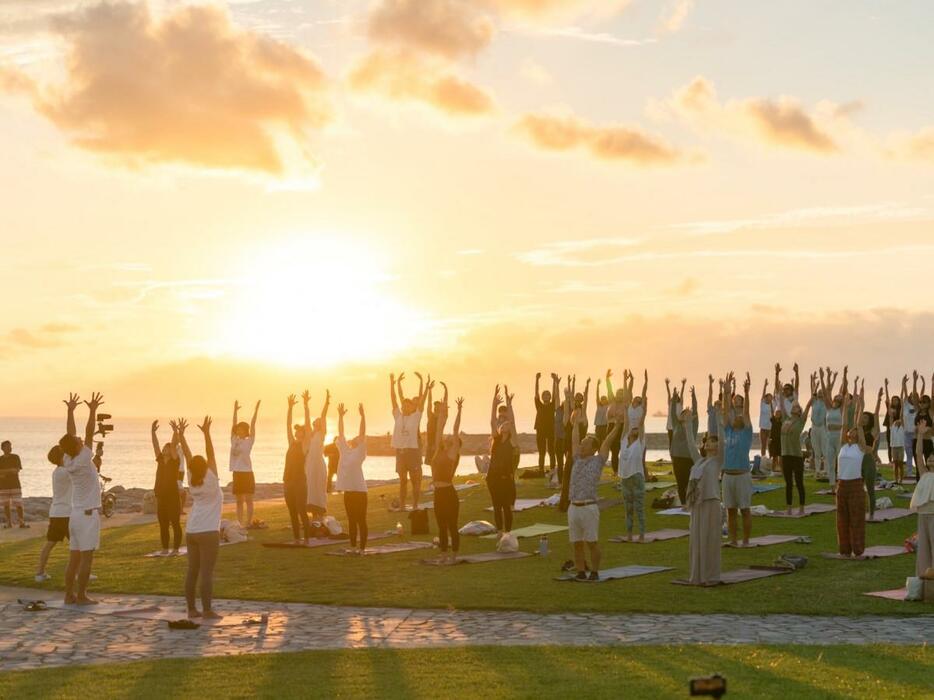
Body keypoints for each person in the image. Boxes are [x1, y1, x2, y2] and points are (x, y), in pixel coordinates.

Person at [560, 407, 619, 581]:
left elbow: (607, 442)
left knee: (591, 542)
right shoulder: (577, 458)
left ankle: (594, 572)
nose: (581, 445)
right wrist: (576, 423)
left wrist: (616, 426)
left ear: (593, 448)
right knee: (576, 543)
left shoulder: (598, 460)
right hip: (574, 507)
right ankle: (580, 571)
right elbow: (574, 439)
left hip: (589, 507)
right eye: (582, 443)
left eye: (585, 443)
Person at [176, 417, 223, 620]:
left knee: (192, 570)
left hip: (192, 530)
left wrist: (181, 435)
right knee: (206, 572)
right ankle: (207, 610)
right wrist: (206, 433)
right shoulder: (211, 478)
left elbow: (187, 456)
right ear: (205, 466)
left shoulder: (191, 479)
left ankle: (191, 609)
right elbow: (210, 453)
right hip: (208, 531)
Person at [60, 391, 104, 605]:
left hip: (75, 515)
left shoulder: (68, 458)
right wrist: (93, 411)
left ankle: (69, 595)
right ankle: (82, 596)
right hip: (87, 515)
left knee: (74, 559)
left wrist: (70, 411)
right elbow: (86, 434)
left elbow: (71, 435)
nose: (80, 440)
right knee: (86, 558)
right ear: (78, 447)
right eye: (78, 441)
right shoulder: (84, 458)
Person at [683, 397, 723, 586]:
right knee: (696, 541)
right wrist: (687, 423)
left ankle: (711, 576)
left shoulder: (717, 461)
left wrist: (720, 416)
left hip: (711, 502)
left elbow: (723, 440)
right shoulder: (699, 461)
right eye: (707, 441)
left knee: (710, 541)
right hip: (697, 504)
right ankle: (697, 576)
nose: (709, 443)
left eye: (713, 441)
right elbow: (691, 444)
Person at [834, 393, 870, 558]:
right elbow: (843, 424)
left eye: (855, 431)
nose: (852, 431)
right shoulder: (843, 445)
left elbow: (859, 426)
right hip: (842, 485)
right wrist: (846, 407)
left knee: (856, 519)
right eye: (851, 430)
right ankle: (844, 549)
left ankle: (858, 549)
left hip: (855, 485)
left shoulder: (860, 447)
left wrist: (860, 406)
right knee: (842, 519)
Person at [430, 389, 464, 564]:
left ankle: (454, 555)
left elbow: (456, 429)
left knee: (452, 525)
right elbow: (438, 428)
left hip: (449, 494)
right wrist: (443, 408)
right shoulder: (437, 450)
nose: (447, 437)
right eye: (447, 437)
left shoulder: (452, 453)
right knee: (441, 526)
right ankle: (443, 554)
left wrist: (458, 411)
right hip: (438, 493)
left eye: (451, 438)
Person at [721, 373, 754, 546]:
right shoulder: (728, 430)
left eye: (740, 415)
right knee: (730, 511)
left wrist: (747, 393)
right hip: (728, 475)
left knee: (745, 510)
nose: (738, 416)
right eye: (736, 414)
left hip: (742, 475)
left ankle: (746, 541)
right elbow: (727, 411)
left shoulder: (746, 432)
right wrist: (727, 393)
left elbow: (747, 411)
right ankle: (733, 540)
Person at [390, 372, 427, 511]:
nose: (405, 407)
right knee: (402, 481)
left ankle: (416, 505)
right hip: (400, 453)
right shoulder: (398, 416)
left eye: (408, 405)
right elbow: (394, 398)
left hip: (413, 452)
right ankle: (402, 506)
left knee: (415, 480)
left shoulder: (416, 417)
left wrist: (422, 382)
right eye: (403, 405)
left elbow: (422, 400)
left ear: (412, 407)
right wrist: (393, 383)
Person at [35, 445, 72, 582]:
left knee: (50, 543)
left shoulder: (57, 472)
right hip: (66, 513)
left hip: (56, 513)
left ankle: (39, 573)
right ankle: (80, 572)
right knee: (78, 545)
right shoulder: (66, 472)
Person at [336, 402, 368, 554]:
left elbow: (362, 432)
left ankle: (362, 549)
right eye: (354, 438)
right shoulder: (344, 451)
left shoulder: (360, 452)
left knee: (361, 520)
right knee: (351, 520)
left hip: (360, 492)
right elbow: (341, 433)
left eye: (358, 438)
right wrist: (340, 416)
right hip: (349, 492)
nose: (356, 438)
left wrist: (363, 416)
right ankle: (353, 547)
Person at [618, 380, 647, 542]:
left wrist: (645, 383)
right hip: (625, 479)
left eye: (637, 429)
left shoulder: (640, 442)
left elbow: (641, 421)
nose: (635, 429)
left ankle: (642, 535)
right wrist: (626, 380)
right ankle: (629, 534)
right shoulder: (623, 440)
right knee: (628, 509)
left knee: (639, 508)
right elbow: (626, 421)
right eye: (633, 429)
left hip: (637, 477)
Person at [487, 385, 519, 534]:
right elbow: (492, 421)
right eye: (503, 423)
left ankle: (508, 532)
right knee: (497, 506)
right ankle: (500, 531)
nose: (505, 423)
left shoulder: (512, 441)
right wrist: (494, 404)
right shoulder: (496, 440)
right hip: (493, 478)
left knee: (506, 506)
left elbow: (512, 421)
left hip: (506, 478)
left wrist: (509, 403)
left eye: (507, 423)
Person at [151, 420, 182, 555]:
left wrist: (175, 432)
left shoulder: (175, 461)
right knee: (163, 524)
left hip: (173, 497)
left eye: (167, 448)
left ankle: (175, 549)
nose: (164, 449)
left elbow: (174, 445)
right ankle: (165, 548)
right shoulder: (160, 460)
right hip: (161, 496)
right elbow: (155, 445)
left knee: (175, 522)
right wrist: (153, 432)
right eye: (164, 448)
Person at [284, 393, 311, 544]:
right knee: (292, 512)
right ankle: (296, 538)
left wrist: (306, 406)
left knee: (301, 510)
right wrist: (289, 408)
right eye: (297, 431)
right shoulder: (292, 443)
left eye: (300, 430)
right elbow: (287, 426)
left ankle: (306, 538)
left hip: (300, 482)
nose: (297, 432)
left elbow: (308, 425)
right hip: (288, 481)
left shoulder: (304, 445)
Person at [780, 395, 813, 516]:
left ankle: (801, 507)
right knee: (788, 483)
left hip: (796, 456)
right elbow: (782, 405)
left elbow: (809, 406)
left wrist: (812, 395)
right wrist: (779, 390)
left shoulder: (801, 421)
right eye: (793, 406)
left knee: (799, 482)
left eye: (797, 407)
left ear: (799, 411)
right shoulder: (785, 419)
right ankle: (788, 508)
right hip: (785, 455)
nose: (795, 407)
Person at [229, 399, 260, 528]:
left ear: (245, 431)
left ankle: (248, 523)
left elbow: (253, 424)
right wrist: (235, 411)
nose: (239, 430)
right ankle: (240, 523)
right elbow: (233, 424)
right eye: (238, 429)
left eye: (242, 429)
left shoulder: (250, 441)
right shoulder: (234, 440)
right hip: (237, 473)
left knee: (248, 500)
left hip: (247, 473)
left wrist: (256, 410)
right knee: (238, 501)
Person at [910, 426, 934, 577]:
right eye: (930, 457)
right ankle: (923, 576)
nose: (930, 458)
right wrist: (919, 435)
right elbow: (918, 454)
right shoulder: (924, 473)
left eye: (933, 457)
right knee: (924, 548)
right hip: (923, 514)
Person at [303, 390, 331, 518]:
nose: (319, 421)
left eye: (321, 422)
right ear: (314, 424)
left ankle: (320, 514)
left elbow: (324, 416)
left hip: (319, 464)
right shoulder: (309, 435)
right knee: (310, 488)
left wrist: (327, 402)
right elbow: (307, 419)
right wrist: (305, 404)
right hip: (309, 464)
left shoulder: (321, 434)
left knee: (319, 488)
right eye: (317, 421)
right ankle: (313, 515)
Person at [669, 381, 697, 505]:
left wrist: (693, 397)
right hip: (677, 458)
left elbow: (695, 410)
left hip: (689, 458)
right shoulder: (676, 425)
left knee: (690, 482)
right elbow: (672, 411)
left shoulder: (693, 425)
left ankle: (691, 502)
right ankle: (684, 504)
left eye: (688, 414)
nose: (686, 415)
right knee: (680, 482)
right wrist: (675, 397)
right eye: (683, 413)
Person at [857, 382, 882, 521]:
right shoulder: (860, 431)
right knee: (859, 489)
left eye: (866, 418)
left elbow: (877, 414)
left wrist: (878, 399)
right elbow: (857, 421)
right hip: (858, 460)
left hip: (868, 460)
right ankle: (861, 512)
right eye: (863, 418)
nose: (864, 419)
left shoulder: (873, 431)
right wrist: (861, 403)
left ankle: (872, 514)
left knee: (870, 489)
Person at [821, 367, 843, 488]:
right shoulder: (829, 408)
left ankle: (841, 483)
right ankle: (832, 484)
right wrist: (823, 377)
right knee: (830, 461)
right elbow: (825, 393)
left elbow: (844, 392)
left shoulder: (841, 410)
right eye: (836, 398)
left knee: (839, 461)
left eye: (840, 399)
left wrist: (844, 375)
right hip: (829, 437)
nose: (837, 400)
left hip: (838, 437)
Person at [533, 372, 555, 475]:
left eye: (548, 395)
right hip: (540, 430)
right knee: (541, 452)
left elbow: (555, 394)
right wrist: (537, 380)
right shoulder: (539, 405)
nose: (546, 396)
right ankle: (541, 470)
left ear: (549, 397)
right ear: (542, 397)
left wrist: (554, 381)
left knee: (551, 452)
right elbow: (536, 392)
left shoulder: (552, 405)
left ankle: (552, 470)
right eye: (544, 395)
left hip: (551, 430)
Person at [0, 440, 25, 528]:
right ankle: (9, 523)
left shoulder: (15, 457)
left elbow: (16, 470)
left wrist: (4, 472)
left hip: (15, 484)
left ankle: (21, 522)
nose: (10, 448)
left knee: (19, 504)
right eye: (7, 446)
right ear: (2, 448)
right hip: (3, 486)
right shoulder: (0, 459)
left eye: (10, 446)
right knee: (6, 505)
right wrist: (10, 470)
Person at [809, 373, 828, 475]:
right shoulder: (814, 402)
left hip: (822, 428)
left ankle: (825, 470)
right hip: (814, 427)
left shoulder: (826, 403)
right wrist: (814, 384)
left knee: (824, 451)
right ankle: (817, 470)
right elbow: (812, 393)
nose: (820, 393)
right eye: (819, 392)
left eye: (822, 392)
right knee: (816, 451)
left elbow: (827, 389)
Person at [901, 374, 919, 481]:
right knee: (908, 454)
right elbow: (906, 393)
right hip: (907, 433)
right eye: (912, 396)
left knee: (917, 453)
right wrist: (903, 383)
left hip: (915, 433)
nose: (913, 398)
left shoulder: (917, 407)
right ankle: (909, 472)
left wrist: (915, 381)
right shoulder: (906, 405)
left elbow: (914, 393)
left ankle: (918, 471)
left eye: (915, 397)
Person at [552, 374, 567, 481]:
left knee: (569, 461)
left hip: (566, 439)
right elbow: (556, 396)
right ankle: (561, 480)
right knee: (560, 461)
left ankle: (569, 480)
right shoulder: (558, 410)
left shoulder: (570, 412)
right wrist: (557, 384)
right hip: (558, 439)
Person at [665, 377, 686, 447]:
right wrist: (667, 385)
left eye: (676, 396)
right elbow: (668, 394)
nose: (675, 397)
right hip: (670, 426)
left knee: (677, 441)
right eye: (674, 396)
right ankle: (671, 455)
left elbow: (682, 393)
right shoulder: (670, 404)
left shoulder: (680, 404)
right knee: (671, 441)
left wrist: (683, 385)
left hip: (678, 426)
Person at [759, 380, 773, 460]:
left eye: (771, 398)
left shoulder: (773, 405)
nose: (769, 399)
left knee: (770, 445)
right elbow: (763, 394)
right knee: (763, 444)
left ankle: (771, 458)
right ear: (765, 398)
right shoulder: (762, 404)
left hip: (770, 428)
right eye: (768, 397)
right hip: (763, 428)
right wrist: (765, 385)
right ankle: (763, 459)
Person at [593, 378, 609, 446]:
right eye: (602, 399)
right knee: (597, 440)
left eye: (604, 399)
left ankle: (602, 453)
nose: (603, 400)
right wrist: (597, 385)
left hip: (604, 426)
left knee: (603, 440)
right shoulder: (599, 406)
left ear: (606, 400)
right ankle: (598, 452)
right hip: (598, 425)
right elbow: (597, 395)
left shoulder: (608, 406)